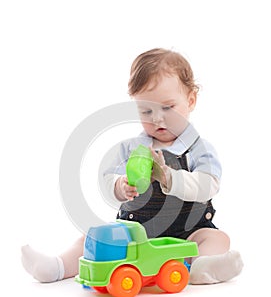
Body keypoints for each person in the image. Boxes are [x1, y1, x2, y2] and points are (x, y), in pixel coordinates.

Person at [21, 48, 243, 284]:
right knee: (94, 238)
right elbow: (106, 175)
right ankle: (57, 266)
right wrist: (118, 186)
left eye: (168, 108)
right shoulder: (130, 148)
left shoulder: (200, 149)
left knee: (217, 238)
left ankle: (201, 267)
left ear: (191, 100)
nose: (157, 119)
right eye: (146, 111)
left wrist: (170, 178)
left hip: (189, 232)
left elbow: (208, 185)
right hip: (136, 232)